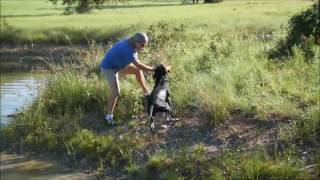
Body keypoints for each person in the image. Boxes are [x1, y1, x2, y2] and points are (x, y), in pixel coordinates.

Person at [100, 32, 170, 125]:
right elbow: (139, 65)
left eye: (145, 45)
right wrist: (154, 69)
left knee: (137, 71)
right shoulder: (127, 50)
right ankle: (109, 117)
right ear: (136, 41)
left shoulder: (131, 43)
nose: (143, 47)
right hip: (109, 69)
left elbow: (138, 66)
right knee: (116, 93)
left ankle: (147, 94)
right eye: (142, 45)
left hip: (118, 66)